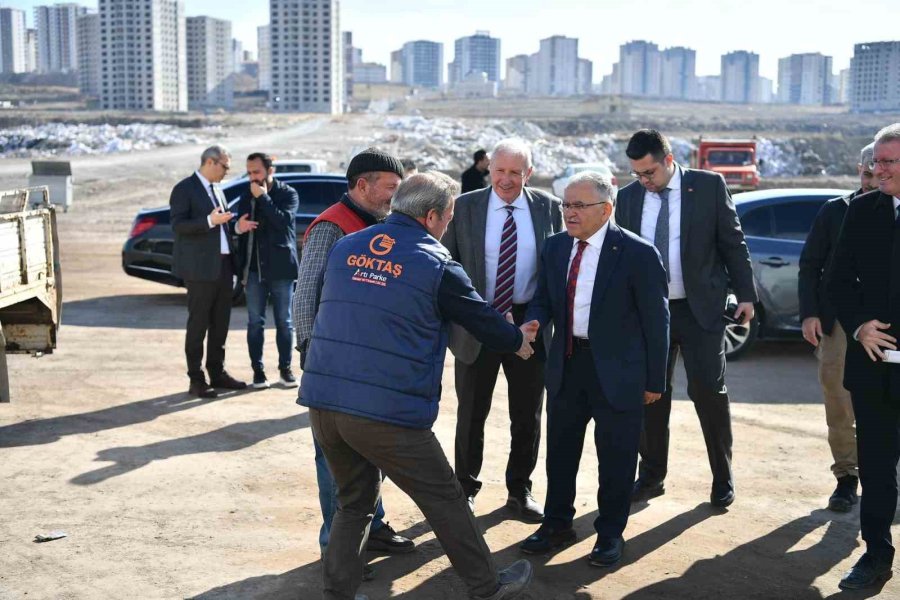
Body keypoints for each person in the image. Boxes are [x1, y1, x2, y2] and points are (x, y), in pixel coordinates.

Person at [301, 171, 535, 600]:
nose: (447, 227)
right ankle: (487, 587)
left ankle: (338, 592)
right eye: (447, 218)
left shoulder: (346, 247)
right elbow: (481, 318)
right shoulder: (436, 263)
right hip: (384, 410)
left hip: (325, 403)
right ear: (431, 216)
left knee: (353, 502)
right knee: (445, 497)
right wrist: (518, 340)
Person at [518, 171, 669, 568]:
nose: (569, 212)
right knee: (561, 453)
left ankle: (609, 534)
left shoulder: (637, 253)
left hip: (619, 373)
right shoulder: (554, 248)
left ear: (606, 209)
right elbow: (544, 299)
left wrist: (656, 380)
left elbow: (657, 321)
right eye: (566, 204)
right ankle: (556, 525)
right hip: (567, 364)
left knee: (616, 458)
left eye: (578, 205)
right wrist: (534, 320)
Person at [615, 129, 757, 508]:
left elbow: (732, 241)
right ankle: (651, 477)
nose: (644, 181)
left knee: (709, 393)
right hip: (647, 315)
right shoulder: (628, 198)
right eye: (637, 174)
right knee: (650, 396)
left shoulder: (708, 186)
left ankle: (722, 477)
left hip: (700, 310)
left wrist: (745, 294)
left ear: (669, 160)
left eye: (650, 173)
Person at [292, 148, 413, 558]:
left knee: (371, 452)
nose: (396, 197)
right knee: (335, 461)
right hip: (334, 366)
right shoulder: (332, 226)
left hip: (371, 363)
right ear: (363, 185)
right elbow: (305, 293)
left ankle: (372, 528)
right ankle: (339, 550)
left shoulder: (380, 224)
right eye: (391, 188)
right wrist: (312, 353)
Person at [443, 138, 563, 521]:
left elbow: (556, 271)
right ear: (488, 169)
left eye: (515, 172)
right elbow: (447, 266)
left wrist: (537, 320)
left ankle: (519, 491)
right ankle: (464, 489)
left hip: (530, 325)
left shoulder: (549, 208)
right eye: (500, 171)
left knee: (527, 415)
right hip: (478, 323)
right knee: (471, 413)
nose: (506, 180)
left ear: (529, 173)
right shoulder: (464, 208)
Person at [829, 123, 900, 590]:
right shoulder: (863, 211)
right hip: (873, 367)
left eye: (888, 162)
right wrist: (858, 326)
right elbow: (836, 280)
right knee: (875, 468)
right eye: (876, 161)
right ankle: (875, 555)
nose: (878, 169)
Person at [798, 142, 878, 512]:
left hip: (886, 321)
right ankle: (847, 477)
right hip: (839, 325)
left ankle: (884, 474)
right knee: (839, 401)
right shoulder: (835, 212)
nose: (874, 178)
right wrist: (810, 313)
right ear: (859, 169)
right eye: (867, 172)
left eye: (883, 170)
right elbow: (810, 265)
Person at [170, 145, 247, 398]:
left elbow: (222, 229)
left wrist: (235, 227)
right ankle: (196, 378)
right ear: (211, 162)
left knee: (220, 324)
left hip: (223, 267)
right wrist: (208, 221)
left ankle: (217, 372)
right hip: (200, 270)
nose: (227, 171)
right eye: (225, 166)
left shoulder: (217, 189)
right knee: (198, 325)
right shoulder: (185, 189)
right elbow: (179, 225)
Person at [233, 152, 300, 389]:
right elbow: (237, 225)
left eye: (257, 172)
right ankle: (258, 372)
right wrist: (238, 228)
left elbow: (282, 223)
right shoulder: (246, 194)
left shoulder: (287, 194)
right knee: (254, 322)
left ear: (270, 171)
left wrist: (263, 198)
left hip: (280, 268)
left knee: (284, 321)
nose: (252, 177)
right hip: (253, 270)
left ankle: (285, 370)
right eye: (249, 172)